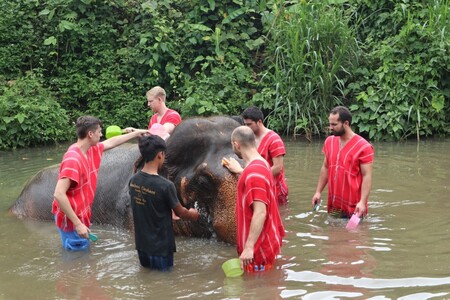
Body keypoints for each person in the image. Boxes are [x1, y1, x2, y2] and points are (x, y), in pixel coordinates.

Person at [52, 116, 149, 251]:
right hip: (71, 219)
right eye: (99, 131)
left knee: (81, 255)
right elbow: (59, 194)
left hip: (81, 213)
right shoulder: (73, 159)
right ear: (90, 134)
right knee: (76, 257)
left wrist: (136, 133)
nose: (101, 134)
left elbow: (111, 143)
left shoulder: (90, 149)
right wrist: (78, 224)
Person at [129, 135, 199, 271]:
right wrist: (193, 214)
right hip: (161, 248)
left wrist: (168, 209)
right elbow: (181, 212)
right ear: (160, 155)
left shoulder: (134, 180)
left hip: (142, 245)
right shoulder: (165, 185)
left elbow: (145, 201)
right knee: (163, 280)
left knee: (148, 279)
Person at [223, 126, 285, 273]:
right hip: (263, 241)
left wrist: (249, 247)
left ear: (236, 144)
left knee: (258, 287)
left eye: (233, 145)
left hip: (258, 249)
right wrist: (240, 171)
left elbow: (260, 212)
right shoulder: (261, 163)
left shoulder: (254, 172)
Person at [311, 106, 374, 218]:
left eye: (334, 125)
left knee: (354, 234)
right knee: (334, 232)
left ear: (346, 123)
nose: (330, 127)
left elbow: (367, 176)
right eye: (330, 124)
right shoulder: (329, 141)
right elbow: (326, 167)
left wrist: (363, 202)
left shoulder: (364, 147)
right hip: (334, 205)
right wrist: (318, 192)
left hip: (355, 208)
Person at [226, 106, 288, 205]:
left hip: (274, 188)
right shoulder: (250, 138)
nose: (247, 128)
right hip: (257, 184)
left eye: (249, 124)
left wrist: (246, 173)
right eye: (245, 124)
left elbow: (277, 167)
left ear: (259, 122)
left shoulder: (274, 139)